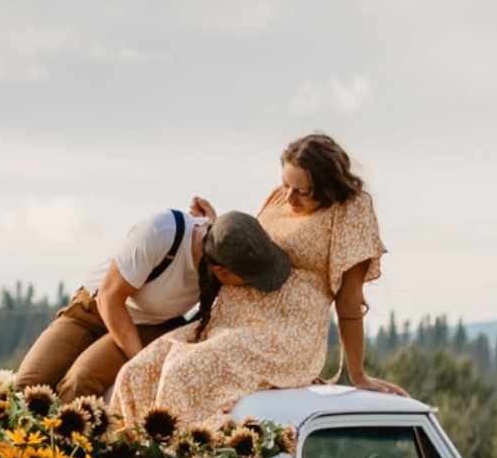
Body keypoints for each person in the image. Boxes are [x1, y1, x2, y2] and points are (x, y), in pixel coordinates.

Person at [111, 132, 394, 426]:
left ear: (327, 188)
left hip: (284, 334)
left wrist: (358, 374)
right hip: (228, 323)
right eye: (286, 184)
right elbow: (248, 250)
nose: (289, 197)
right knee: (137, 372)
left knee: (183, 373)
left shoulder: (350, 210)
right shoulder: (277, 197)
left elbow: (349, 300)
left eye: (302, 191)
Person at [16, 203, 292, 400]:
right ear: (222, 271)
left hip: (150, 325)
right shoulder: (160, 232)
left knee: (80, 382)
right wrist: (139, 360)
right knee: (28, 385)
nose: (250, 286)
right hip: (95, 309)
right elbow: (111, 298)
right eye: (248, 279)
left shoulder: (222, 256)